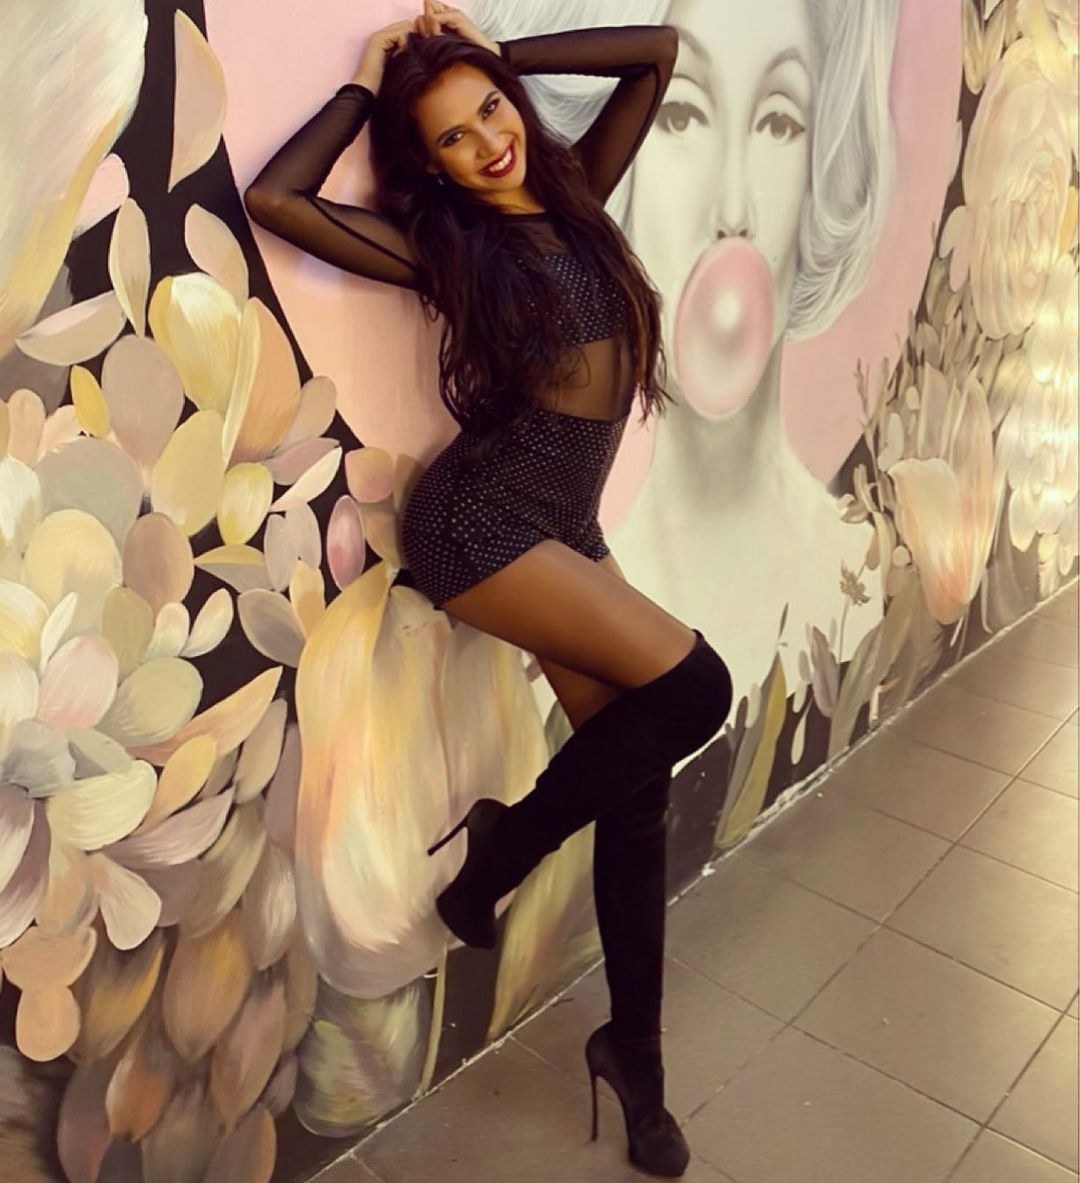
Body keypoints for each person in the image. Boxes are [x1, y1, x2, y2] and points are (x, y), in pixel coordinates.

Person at [243, 2, 733, 1175]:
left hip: (559, 525)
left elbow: (657, 56)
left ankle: (635, 1057)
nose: (489, 141)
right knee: (698, 689)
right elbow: (279, 200)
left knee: (636, 787)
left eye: (492, 114)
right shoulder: (450, 248)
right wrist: (370, 86)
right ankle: (501, 852)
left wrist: (493, 57)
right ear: (432, 168)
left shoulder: (576, 199)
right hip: (479, 524)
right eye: (454, 138)